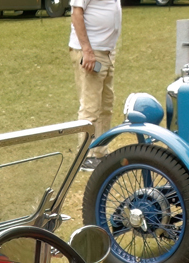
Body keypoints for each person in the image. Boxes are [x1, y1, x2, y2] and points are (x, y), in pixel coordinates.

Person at [68, 0, 120, 166]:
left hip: (106, 52)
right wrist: (87, 51)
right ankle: (85, 156)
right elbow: (76, 14)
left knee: (106, 105)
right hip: (92, 53)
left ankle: (100, 152)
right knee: (91, 107)